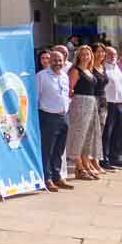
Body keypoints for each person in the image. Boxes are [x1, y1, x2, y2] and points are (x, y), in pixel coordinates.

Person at [36, 47, 72, 191]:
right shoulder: (41, 76)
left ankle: (57, 177)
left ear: (64, 62)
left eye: (60, 60)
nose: (57, 63)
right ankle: (47, 178)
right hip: (48, 117)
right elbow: (35, 97)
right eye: (55, 60)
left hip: (63, 116)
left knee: (59, 150)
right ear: (49, 61)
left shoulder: (64, 76)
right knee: (47, 150)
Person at [67, 45, 104, 180]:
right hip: (79, 103)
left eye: (87, 54)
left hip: (91, 103)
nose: (85, 57)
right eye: (82, 54)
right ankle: (80, 167)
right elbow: (70, 89)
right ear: (78, 56)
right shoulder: (75, 71)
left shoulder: (89, 70)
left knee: (89, 137)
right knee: (78, 135)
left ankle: (85, 164)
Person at [100, 45, 122, 170]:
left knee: (119, 132)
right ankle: (104, 159)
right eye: (109, 54)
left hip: (120, 103)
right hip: (108, 103)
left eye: (114, 54)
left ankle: (115, 157)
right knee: (107, 133)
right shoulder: (102, 68)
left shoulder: (117, 68)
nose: (112, 56)